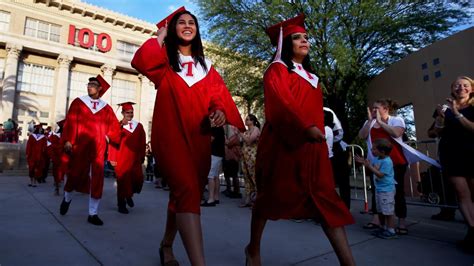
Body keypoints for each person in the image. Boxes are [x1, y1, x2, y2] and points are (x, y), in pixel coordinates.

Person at [131, 7, 244, 265]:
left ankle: (166, 245)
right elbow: (140, 61)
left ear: (197, 30)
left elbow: (217, 98)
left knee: (184, 195)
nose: (186, 25)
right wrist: (159, 36)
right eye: (180, 22)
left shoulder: (207, 67)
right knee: (187, 189)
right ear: (173, 29)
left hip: (199, 139)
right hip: (170, 137)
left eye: (191, 22)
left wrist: (219, 112)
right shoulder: (165, 64)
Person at [245, 14, 355, 266]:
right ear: (286, 44)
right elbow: (281, 104)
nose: (304, 41)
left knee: (326, 200)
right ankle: (253, 249)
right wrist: (305, 127)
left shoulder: (312, 77)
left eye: (306, 37)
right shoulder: (277, 70)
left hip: (313, 148)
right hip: (283, 145)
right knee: (269, 198)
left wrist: (314, 132)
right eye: (297, 37)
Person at [358, 98, 439, 235]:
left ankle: (401, 222)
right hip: (375, 163)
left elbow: (396, 133)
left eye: (377, 108)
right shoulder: (369, 122)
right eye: (373, 108)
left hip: (395, 163)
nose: (373, 111)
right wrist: (371, 121)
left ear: (385, 109)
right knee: (377, 192)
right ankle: (378, 220)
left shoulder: (396, 120)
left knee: (397, 192)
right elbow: (362, 136)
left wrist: (380, 122)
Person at [59, 75, 121, 226]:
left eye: (93, 84)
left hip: (98, 148)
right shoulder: (79, 103)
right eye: (88, 84)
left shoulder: (106, 108)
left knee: (97, 180)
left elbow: (113, 127)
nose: (89, 86)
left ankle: (93, 213)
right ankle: (67, 198)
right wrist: (68, 139)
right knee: (74, 175)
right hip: (80, 146)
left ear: (100, 89)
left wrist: (108, 137)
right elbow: (71, 121)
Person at [430, 76, 474, 253]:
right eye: (457, 85)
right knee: (462, 194)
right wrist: (440, 118)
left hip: (472, 154)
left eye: (465, 85)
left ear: (471, 89)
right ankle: (472, 231)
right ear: (452, 89)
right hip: (451, 155)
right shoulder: (444, 108)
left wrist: (457, 114)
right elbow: (433, 132)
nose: (461, 88)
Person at [108, 102, 146, 214]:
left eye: (131, 112)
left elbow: (142, 142)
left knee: (138, 179)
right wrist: (112, 158)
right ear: (122, 113)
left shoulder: (138, 126)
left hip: (134, 159)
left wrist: (142, 156)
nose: (130, 114)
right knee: (122, 182)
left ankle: (129, 195)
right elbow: (113, 142)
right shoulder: (117, 125)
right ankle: (121, 204)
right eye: (127, 112)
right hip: (121, 159)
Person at [356, 139, 397, 239]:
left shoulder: (387, 162)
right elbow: (371, 165)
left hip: (387, 190)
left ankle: (391, 230)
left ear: (382, 151)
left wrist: (369, 166)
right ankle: (382, 227)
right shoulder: (377, 159)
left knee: (388, 211)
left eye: (374, 149)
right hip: (379, 189)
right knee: (380, 211)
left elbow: (380, 174)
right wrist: (364, 162)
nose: (372, 150)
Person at [324, 107, 351, 209]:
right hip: (326, 147)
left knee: (342, 180)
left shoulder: (327, 111)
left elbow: (339, 133)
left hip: (336, 147)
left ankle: (345, 207)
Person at [239, 115, 260, 208]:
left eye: (247, 119)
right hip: (245, 157)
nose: (245, 121)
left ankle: (257, 201)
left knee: (254, 178)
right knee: (247, 178)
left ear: (252, 121)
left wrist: (240, 134)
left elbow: (249, 141)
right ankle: (248, 200)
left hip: (252, 157)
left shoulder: (255, 129)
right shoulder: (246, 131)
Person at [201, 126, 225, 207]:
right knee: (215, 176)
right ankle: (216, 197)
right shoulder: (220, 128)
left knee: (210, 176)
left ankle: (211, 199)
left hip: (214, 153)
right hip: (219, 153)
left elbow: (210, 139)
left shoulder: (216, 128)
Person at [222, 124, 242, 199]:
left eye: (233, 127)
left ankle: (236, 191)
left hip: (233, 158)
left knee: (234, 175)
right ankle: (229, 189)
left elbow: (228, 143)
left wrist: (224, 137)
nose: (231, 128)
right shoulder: (233, 135)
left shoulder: (236, 136)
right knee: (227, 174)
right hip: (228, 157)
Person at [48, 120, 66, 195]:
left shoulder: (67, 137)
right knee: (57, 173)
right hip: (57, 158)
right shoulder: (55, 136)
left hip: (65, 158)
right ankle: (57, 187)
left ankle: (60, 187)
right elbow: (51, 147)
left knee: (62, 173)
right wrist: (52, 156)